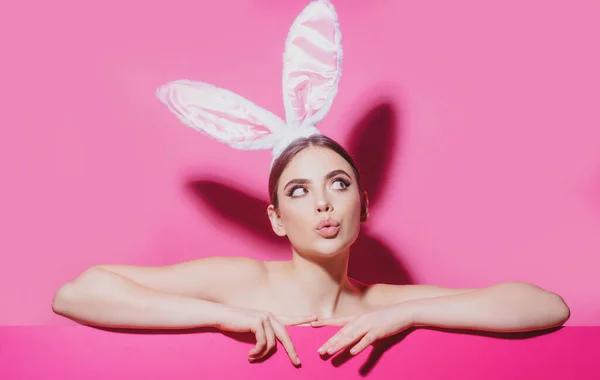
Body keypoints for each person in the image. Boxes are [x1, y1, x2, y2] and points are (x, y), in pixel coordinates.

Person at [52, 0, 570, 368]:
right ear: (275, 217)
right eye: (298, 191)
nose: (322, 202)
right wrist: (220, 316)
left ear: (363, 205)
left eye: (338, 184)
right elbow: (78, 293)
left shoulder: (382, 302)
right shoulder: (242, 282)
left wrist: (407, 315)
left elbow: (547, 306)